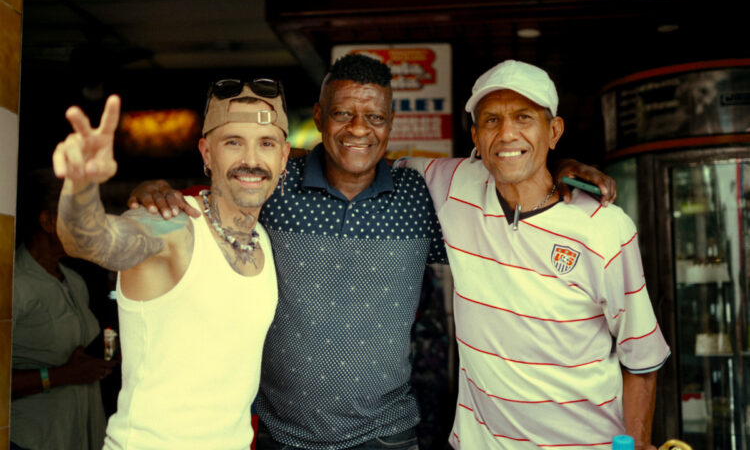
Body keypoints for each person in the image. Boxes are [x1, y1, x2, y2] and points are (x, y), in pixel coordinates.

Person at [129, 54, 618, 450]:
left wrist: (562, 168)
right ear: (319, 117)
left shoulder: (420, 195)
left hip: (385, 436)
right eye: (342, 113)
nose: (358, 128)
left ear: (390, 124)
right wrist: (159, 190)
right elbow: (223, 192)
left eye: (373, 117)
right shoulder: (276, 188)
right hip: (280, 436)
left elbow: (506, 185)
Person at [398, 60, 670, 449]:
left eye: (524, 117)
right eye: (492, 121)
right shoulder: (453, 184)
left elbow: (640, 356)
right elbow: (364, 165)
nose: (507, 133)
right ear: (476, 137)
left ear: (554, 131)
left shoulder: (604, 227)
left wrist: (639, 443)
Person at [52, 79, 290, 449]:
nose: (251, 160)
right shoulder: (173, 225)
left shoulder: (264, 237)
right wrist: (80, 186)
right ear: (206, 154)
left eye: (266, 144)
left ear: (284, 157)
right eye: (232, 143)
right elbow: (89, 240)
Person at [11, 168, 116, 450]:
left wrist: (100, 363)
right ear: (48, 221)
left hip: (80, 435)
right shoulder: (15, 284)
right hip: (33, 440)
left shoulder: (74, 280)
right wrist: (62, 376)